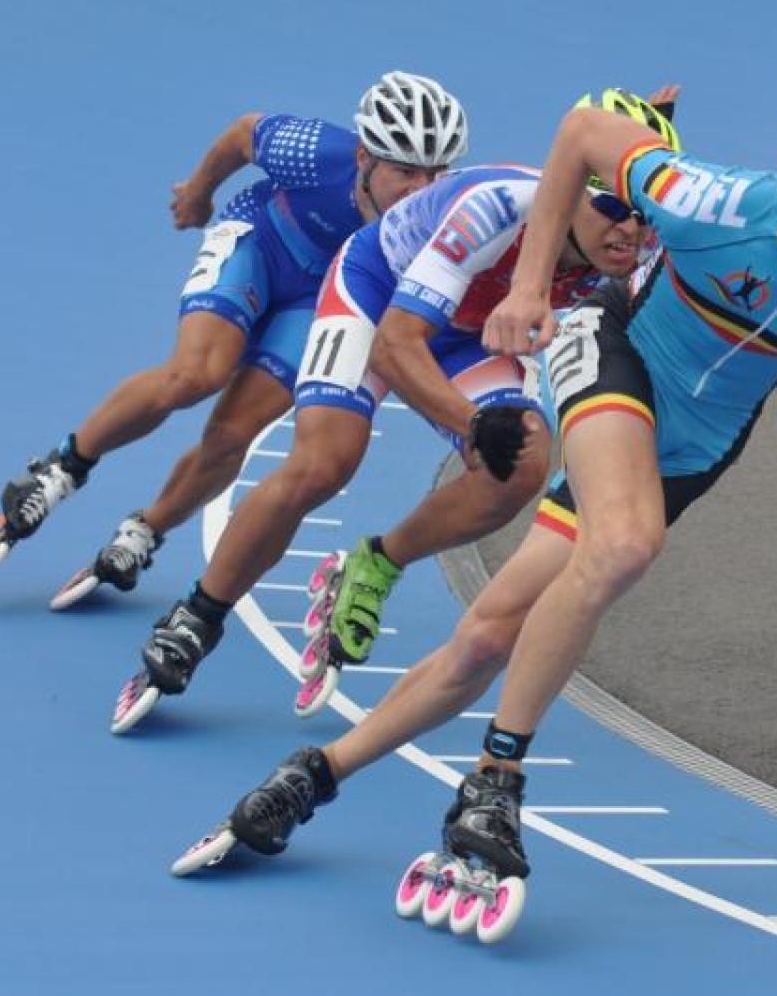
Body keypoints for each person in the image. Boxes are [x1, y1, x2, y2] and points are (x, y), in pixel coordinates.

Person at [179, 54, 777, 906]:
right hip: (613, 355)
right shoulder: (711, 202)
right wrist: (530, 286)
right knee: (624, 546)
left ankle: (309, 777)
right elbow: (581, 134)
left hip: (688, 451)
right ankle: (495, 782)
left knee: (489, 633)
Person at [110, 89, 685, 735]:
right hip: (377, 297)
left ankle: (376, 562)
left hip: (469, 333)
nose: (631, 231)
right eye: (612, 208)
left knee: (520, 464)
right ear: (568, 189)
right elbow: (394, 345)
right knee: (322, 466)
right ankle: (197, 616)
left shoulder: (644, 248)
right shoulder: (492, 209)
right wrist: (472, 425)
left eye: (644, 214)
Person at [0, 73, 469, 604]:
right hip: (261, 246)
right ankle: (60, 470)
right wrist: (198, 192)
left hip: (324, 297)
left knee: (232, 435)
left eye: (434, 174)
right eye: (405, 171)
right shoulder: (317, 152)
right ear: (365, 158)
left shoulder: (441, 215)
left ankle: (144, 532)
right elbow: (242, 135)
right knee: (194, 375)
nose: (421, 189)